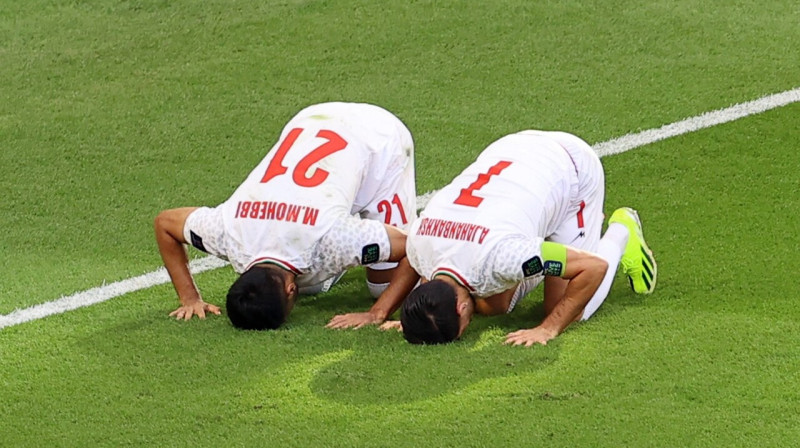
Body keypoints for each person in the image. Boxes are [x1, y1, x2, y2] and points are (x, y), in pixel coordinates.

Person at [330, 129, 656, 346]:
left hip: (571, 172)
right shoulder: (421, 242)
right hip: (511, 151)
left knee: (567, 307)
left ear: (460, 308)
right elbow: (413, 261)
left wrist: (548, 329)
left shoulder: (504, 257)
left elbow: (592, 269)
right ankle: (550, 247)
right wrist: (382, 313)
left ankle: (621, 232)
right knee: (494, 302)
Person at [154, 102, 417, 330]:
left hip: (378, 137)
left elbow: (415, 246)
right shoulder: (227, 234)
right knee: (312, 283)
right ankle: (353, 237)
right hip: (311, 120)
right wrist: (189, 298)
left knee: (382, 287)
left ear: (291, 291)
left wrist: (377, 312)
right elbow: (166, 224)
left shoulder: (334, 241)